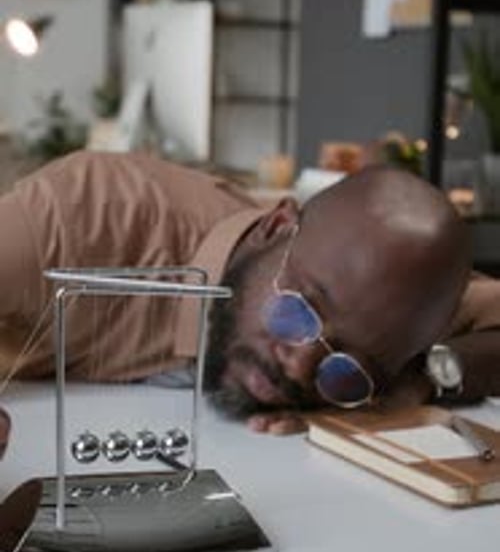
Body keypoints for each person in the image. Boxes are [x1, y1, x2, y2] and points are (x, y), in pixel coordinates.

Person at [0, 149, 499, 434]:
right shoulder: (78, 220)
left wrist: (420, 380)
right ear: (274, 228)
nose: (299, 370)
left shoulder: (389, 299)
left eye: (344, 369)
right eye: (299, 311)